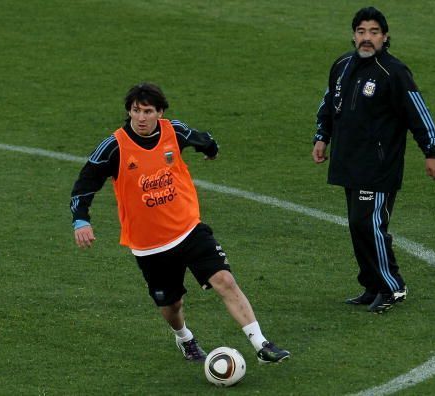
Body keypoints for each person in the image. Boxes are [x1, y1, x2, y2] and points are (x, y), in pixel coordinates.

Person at [70, 82, 290, 363]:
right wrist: (81, 220)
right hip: (149, 245)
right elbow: (84, 184)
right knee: (172, 305)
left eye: (148, 111)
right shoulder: (114, 147)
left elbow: (202, 139)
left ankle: (262, 345)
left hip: (188, 229)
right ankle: (185, 338)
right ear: (129, 112)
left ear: (159, 112)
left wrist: (210, 149)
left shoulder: (173, 131)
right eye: (135, 111)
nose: (141, 118)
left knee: (224, 279)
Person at [312, 7, 435, 313]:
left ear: (385, 37)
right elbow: (330, 103)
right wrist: (322, 136)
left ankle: (392, 286)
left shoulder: (394, 72)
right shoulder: (343, 66)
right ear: (353, 35)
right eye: (361, 32)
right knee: (358, 226)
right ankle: (372, 284)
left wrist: (431, 152)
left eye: (373, 32)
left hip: (378, 166)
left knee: (369, 224)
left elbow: (418, 112)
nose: (367, 38)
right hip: (348, 162)